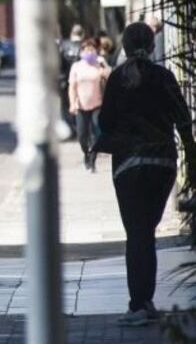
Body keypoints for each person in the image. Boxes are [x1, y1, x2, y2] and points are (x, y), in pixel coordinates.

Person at [96, 22, 196, 326]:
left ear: (124, 46)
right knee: (146, 232)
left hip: (128, 166)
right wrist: (190, 159)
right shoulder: (164, 77)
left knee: (136, 233)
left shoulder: (117, 80)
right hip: (162, 163)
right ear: (152, 46)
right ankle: (146, 301)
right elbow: (182, 118)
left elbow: (105, 122)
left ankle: (138, 304)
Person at [68, 37, 110, 172]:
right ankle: (86, 153)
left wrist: (104, 69)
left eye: (91, 49)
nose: (89, 52)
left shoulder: (99, 63)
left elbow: (110, 75)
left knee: (98, 133)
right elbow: (72, 87)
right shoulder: (77, 66)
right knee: (82, 135)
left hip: (97, 104)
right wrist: (72, 103)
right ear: (82, 51)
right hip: (81, 105)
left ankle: (93, 158)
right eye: (86, 50)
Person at [59, 24, 85, 132]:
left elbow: (59, 64)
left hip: (66, 81)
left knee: (66, 105)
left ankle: (70, 127)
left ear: (71, 33)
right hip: (82, 80)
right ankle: (79, 127)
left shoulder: (64, 46)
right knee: (81, 104)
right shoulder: (85, 46)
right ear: (82, 34)